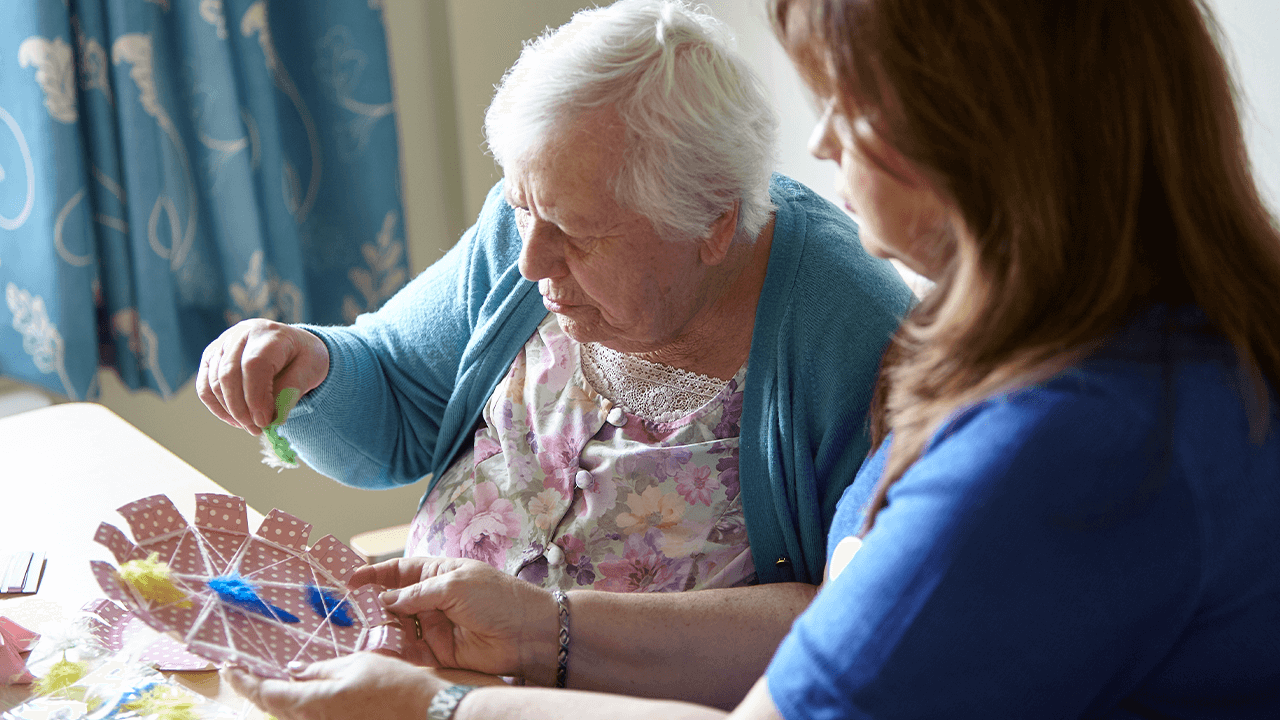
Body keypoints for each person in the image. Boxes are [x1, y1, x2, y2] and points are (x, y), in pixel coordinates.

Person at [224, 0, 1280, 717]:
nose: (819, 144)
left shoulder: (1068, 443)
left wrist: (439, 707)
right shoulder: (1100, 341)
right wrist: (530, 635)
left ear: (977, 141)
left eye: (848, 104)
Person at [199, 0, 909, 620]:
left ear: (714, 224)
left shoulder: (850, 328)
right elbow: (397, 389)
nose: (531, 260)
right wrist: (313, 364)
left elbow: (853, 617)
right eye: (521, 209)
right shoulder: (539, 215)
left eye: (579, 234)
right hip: (428, 667)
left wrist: (549, 642)